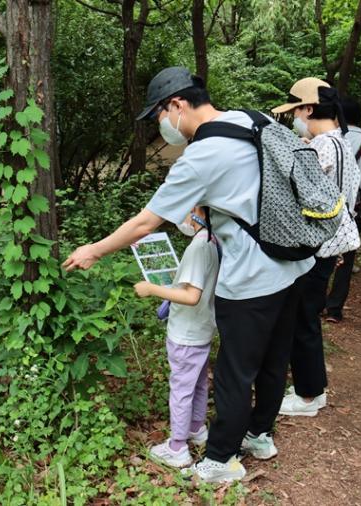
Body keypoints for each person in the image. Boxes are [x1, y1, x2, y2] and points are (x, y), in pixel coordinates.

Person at [63, 67, 313, 483]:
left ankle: (219, 460)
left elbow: (146, 223)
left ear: (177, 105)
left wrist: (93, 250)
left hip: (252, 275)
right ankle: (259, 436)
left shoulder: (201, 155)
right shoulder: (252, 118)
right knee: (274, 358)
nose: (161, 126)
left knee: (235, 369)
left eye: (160, 114)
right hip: (294, 259)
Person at [271, 78, 360, 417]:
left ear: (308, 109)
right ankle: (313, 387)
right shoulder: (339, 143)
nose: (295, 117)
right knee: (305, 316)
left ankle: (308, 396)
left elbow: (304, 195)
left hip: (315, 245)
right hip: (330, 243)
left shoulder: (323, 147)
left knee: (302, 318)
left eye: (296, 110)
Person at [133, 207, 219, 468]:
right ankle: (195, 428)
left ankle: (177, 447)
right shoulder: (213, 241)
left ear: (198, 210)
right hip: (203, 328)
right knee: (199, 382)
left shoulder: (198, 247)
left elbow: (191, 296)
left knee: (181, 388)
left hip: (186, 333)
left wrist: (151, 289)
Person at [324, 97, 361, 324]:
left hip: (326, 206)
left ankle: (316, 302)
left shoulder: (331, 139)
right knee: (346, 258)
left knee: (321, 254)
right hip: (354, 208)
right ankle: (335, 308)